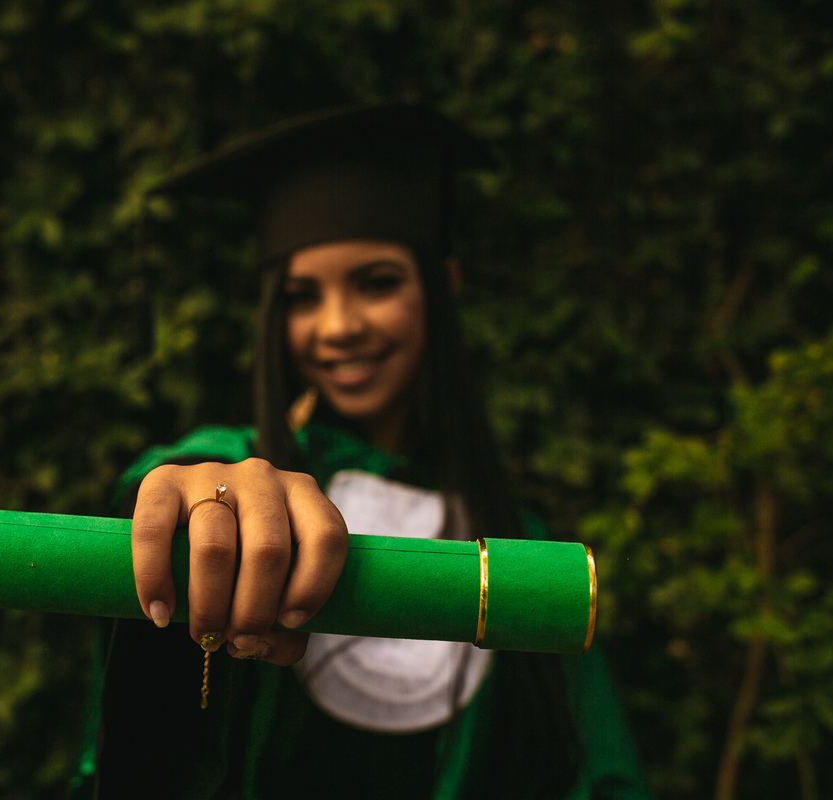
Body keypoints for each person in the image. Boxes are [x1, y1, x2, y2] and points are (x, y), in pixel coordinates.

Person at [88, 104, 651, 799]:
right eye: (302, 297)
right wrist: (198, 504)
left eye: (377, 284)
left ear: (441, 287)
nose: (339, 327)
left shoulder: (517, 551)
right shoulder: (231, 471)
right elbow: (166, 498)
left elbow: (599, 775)